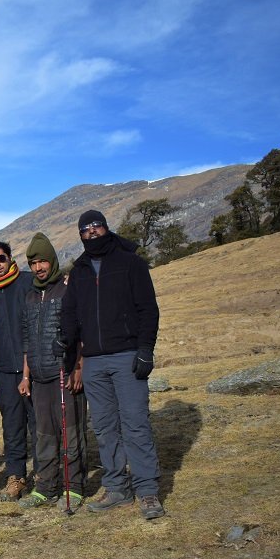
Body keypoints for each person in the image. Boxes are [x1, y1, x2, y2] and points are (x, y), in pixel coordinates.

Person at [58, 210, 165, 519]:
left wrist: (145, 350)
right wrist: (65, 344)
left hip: (126, 356)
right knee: (104, 427)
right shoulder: (78, 271)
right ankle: (116, 487)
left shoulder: (130, 262)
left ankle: (147, 491)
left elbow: (148, 309)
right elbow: (69, 313)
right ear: (80, 235)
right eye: (85, 230)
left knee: (135, 424)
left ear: (106, 228)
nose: (92, 233)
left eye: (96, 227)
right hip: (92, 361)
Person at [17, 233, 88, 511]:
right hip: (39, 378)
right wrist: (25, 375)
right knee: (44, 436)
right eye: (33, 263)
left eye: (42, 261)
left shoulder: (68, 289)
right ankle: (46, 487)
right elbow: (26, 339)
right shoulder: (30, 296)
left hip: (65, 374)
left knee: (71, 433)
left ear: (52, 261)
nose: (38, 268)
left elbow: (81, 332)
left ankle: (76, 487)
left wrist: (78, 368)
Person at [0, 239, 37, 501]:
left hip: (34, 367)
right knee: (12, 427)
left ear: (10, 258)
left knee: (41, 425)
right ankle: (16, 477)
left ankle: (49, 474)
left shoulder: (29, 282)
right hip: (3, 372)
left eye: (0, 258)